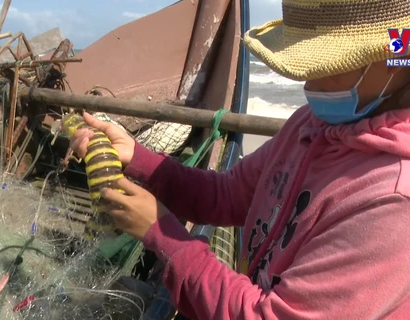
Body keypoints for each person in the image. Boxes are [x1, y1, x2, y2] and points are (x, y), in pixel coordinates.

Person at [70, 1, 410, 319]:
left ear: (398, 55)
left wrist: (163, 234)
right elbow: (227, 195)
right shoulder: (308, 126)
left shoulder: (393, 203)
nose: (310, 82)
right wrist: (138, 157)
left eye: (332, 67)